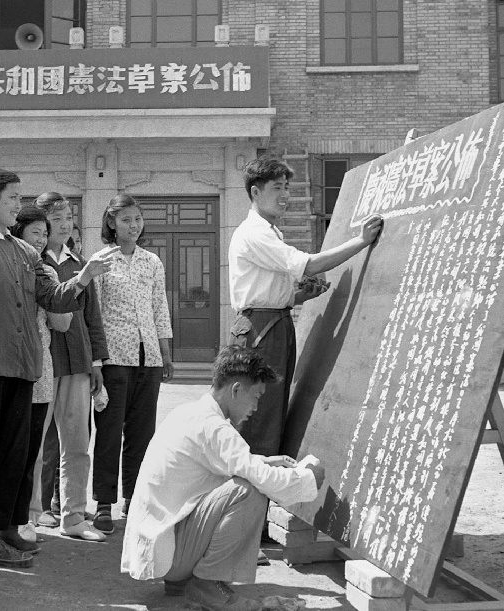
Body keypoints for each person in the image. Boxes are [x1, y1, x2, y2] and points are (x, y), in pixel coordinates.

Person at [0, 171, 119, 569]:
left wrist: (84, 277)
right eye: (12, 197)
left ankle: (1, 531)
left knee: (13, 457)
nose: (18, 203)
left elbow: (55, 299)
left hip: (24, 368)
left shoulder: (25, 253)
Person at [121, 345, 325, 611]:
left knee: (244, 478)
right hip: (169, 554)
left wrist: (261, 460)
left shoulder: (190, 412)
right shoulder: (214, 427)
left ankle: (184, 582)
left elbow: (221, 462)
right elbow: (260, 478)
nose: (255, 407)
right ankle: (207, 586)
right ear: (236, 390)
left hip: (160, 550)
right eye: (256, 397)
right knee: (249, 491)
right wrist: (307, 478)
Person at [228, 156, 383, 458]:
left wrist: (300, 296)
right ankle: (251, 484)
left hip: (272, 323)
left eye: (286, 187)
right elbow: (308, 264)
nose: (285, 195)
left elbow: (268, 291)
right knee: (259, 411)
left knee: (272, 408)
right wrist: (361, 241)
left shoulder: (269, 231)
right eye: (276, 188)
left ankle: (262, 481)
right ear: (255, 192)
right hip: (261, 329)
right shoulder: (254, 233)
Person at [92, 194, 174, 534]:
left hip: (148, 357)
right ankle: (103, 503)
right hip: (114, 358)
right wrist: (96, 362)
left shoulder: (151, 262)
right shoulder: (100, 261)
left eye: (138, 219)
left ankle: (135, 499)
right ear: (112, 223)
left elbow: (159, 307)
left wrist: (165, 353)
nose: (134, 225)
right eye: (126, 220)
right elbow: (94, 313)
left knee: (142, 434)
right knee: (110, 432)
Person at [35, 191, 110, 542]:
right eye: (57, 219)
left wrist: (96, 361)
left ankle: (75, 517)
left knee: (77, 445)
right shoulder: (33, 260)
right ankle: (30, 516)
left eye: (69, 218)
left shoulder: (80, 261)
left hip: (78, 361)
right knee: (37, 445)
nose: (65, 225)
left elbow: (93, 315)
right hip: (44, 363)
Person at [9, 206, 72, 545]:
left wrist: (56, 288)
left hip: (41, 369)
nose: (41, 239)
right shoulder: (7, 266)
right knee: (14, 448)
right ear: (17, 232)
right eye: (35, 232)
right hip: (10, 368)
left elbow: (62, 322)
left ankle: (28, 518)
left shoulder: (46, 272)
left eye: (44, 234)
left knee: (33, 447)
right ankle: (11, 520)